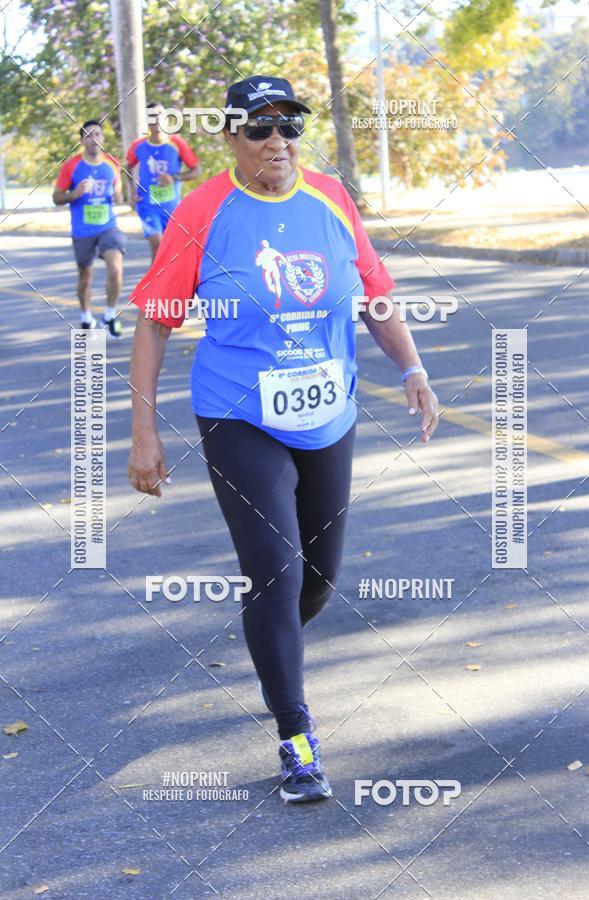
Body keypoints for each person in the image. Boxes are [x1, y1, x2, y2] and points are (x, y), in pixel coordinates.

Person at [127, 76, 439, 803]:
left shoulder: (330, 196)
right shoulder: (203, 212)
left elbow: (372, 290)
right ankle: (295, 736)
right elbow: (154, 319)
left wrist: (412, 367)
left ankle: (273, 642)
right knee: (276, 572)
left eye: (289, 126)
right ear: (230, 137)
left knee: (317, 581)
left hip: (328, 411)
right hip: (239, 415)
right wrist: (143, 432)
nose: (278, 141)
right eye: (260, 128)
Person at [53, 120, 126, 336]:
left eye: (98, 134)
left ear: (103, 139)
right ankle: (86, 317)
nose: (94, 139)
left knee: (116, 269)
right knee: (85, 277)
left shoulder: (112, 163)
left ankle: (110, 316)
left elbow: (118, 191)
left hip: (108, 227)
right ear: (82, 141)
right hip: (82, 229)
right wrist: (73, 194)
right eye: (89, 135)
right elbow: (56, 197)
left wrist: (121, 196)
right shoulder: (72, 166)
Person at [125, 101, 201, 261]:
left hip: (172, 208)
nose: (157, 119)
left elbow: (196, 171)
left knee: (173, 252)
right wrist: (131, 190)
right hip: (147, 205)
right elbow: (127, 167)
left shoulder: (177, 143)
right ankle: (156, 285)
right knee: (157, 243)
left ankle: (170, 284)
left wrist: (174, 177)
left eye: (160, 115)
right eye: (152, 116)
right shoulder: (138, 146)